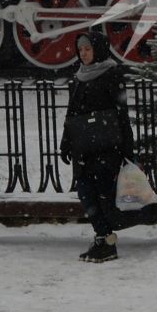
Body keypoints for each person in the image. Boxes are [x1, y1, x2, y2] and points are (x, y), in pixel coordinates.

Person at [60, 29, 134, 263]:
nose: (83, 54)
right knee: (85, 192)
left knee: (104, 195)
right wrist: (66, 141)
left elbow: (122, 114)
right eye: (80, 49)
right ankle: (103, 238)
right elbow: (71, 112)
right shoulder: (78, 78)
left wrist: (127, 149)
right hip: (84, 147)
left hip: (106, 146)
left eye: (87, 49)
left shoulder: (111, 74)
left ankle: (106, 241)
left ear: (98, 49)